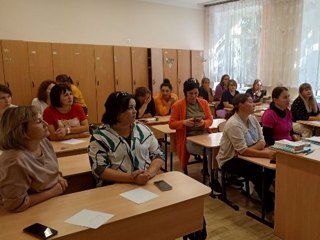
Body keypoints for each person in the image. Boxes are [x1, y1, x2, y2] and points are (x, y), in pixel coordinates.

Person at [88, 91, 165, 187]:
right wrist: (132, 178)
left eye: (134, 107)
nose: (135, 111)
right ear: (116, 111)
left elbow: (159, 155)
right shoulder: (100, 137)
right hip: (115, 187)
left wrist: (148, 174)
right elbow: (100, 169)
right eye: (130, 108)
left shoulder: (142, 129)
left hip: (145, 183)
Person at [216, 94, 276, 215]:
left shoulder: (253, 119)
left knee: (272, 169)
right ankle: (269, 207)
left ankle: (261, 193)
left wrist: (250, 149)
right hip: (231, 159)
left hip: (249, 154)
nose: (253, 103)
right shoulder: (233, 123)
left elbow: (262, 141)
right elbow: (241, 151)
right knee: (258, 171)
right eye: (250, 102)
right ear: (240, 105)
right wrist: (266, 154)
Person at [0, 106, 68, 212]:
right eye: (38, 121)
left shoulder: (43, 142)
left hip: (50, 204)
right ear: (22, 130)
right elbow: (14, 204)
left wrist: (57, 177)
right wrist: (52, 192)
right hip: (25, 213)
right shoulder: (15, 161)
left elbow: (48, 170)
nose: (46, 124)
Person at [169, 78, 213, 173]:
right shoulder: (177, 105)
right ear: (185, 93)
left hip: (204, 136)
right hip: (188, 139)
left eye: (196, 93)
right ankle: (212, 178)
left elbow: (210, 119)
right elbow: (171, 124)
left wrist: (203, 123)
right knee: (210, 151)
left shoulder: (204, 103)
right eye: (190, 93)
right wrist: (184, 122)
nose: (193, 96)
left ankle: (213, 175)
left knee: (215, 150)